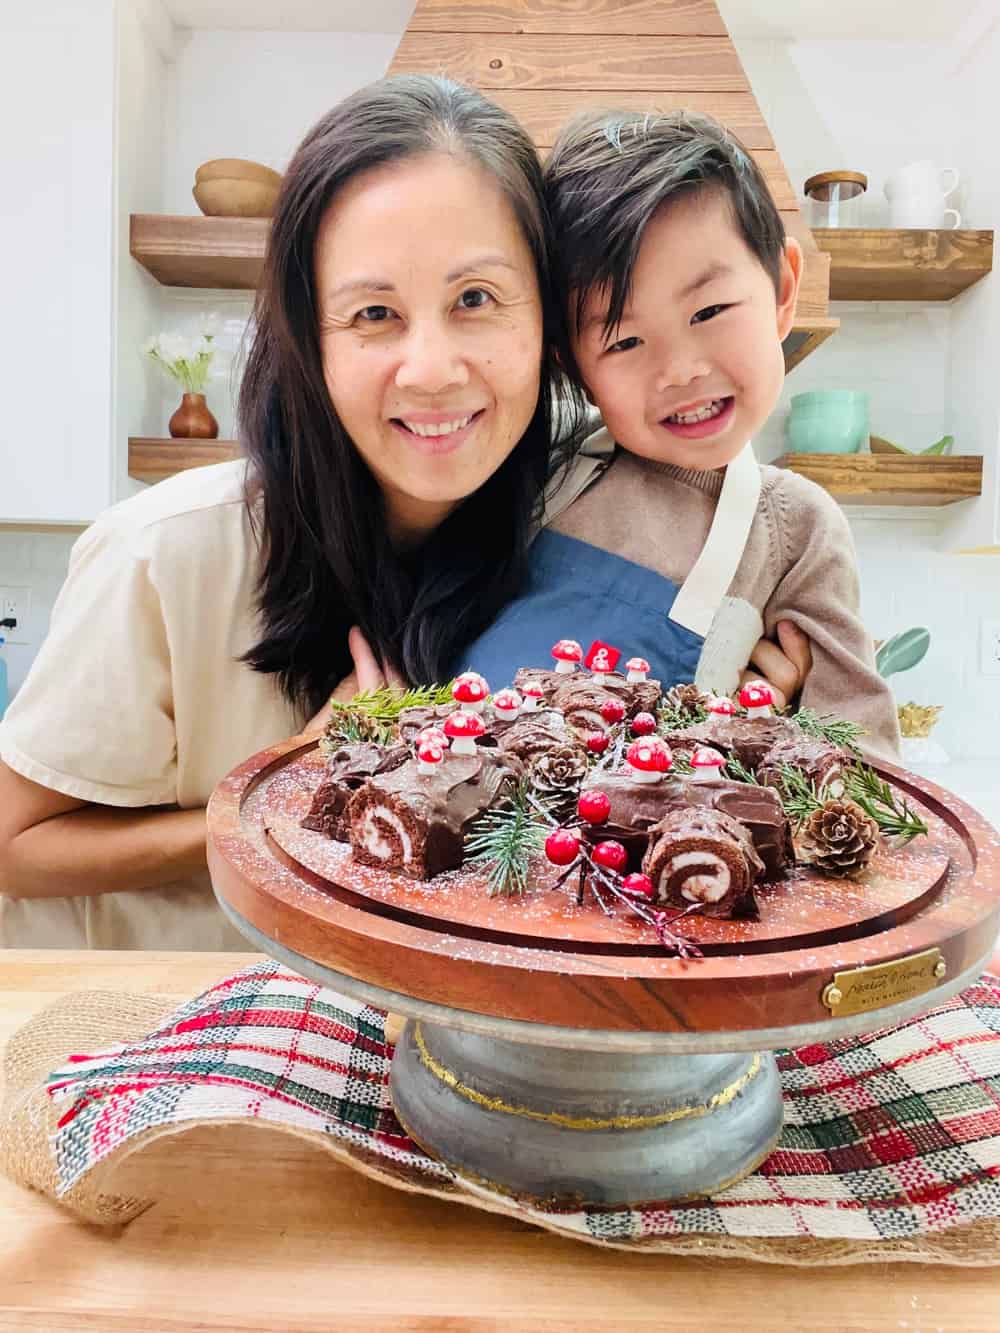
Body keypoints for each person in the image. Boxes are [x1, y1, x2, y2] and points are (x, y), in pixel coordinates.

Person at [0, 83, 808, 951]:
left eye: (475, 299)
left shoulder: (573, 530)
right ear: (311, 340)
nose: (431, 370)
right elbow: (15, 847)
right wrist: (281, 790)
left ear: (551, 324)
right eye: (374, 314)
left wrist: (732, 742)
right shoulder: (166, 556)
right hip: (188, 1037)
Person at [460, 109, 897, 760]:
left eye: (710, 310)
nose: (681, 369)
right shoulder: (536, 464)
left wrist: (772, 735)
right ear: (572, 368)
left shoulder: (795, 527)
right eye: (626, 340)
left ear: (782, 289)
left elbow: (860, 758)